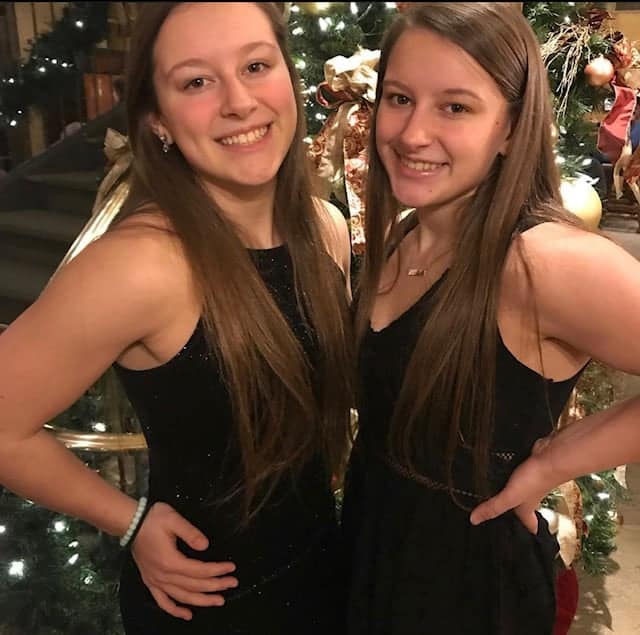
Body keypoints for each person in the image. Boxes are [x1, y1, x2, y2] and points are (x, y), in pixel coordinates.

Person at [0, 3, 353, 634]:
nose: (239, 102)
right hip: (208, 604)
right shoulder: (140, 265)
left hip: (324, 574)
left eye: (256, 66)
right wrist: (129, 521)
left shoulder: (324, 228)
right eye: (196, 81)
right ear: (157, 120)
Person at [342, 3, 640, 634]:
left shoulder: (542, 260)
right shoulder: (406, 234)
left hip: (469, 592)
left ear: (510, 128)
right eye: (400, 98)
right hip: (374, 557)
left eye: (455, 107)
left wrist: (556, 462)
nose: (412, 133)